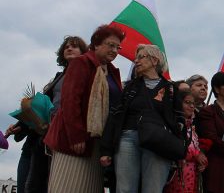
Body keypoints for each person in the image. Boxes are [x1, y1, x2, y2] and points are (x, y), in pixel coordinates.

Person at [44, 25, 125, 192]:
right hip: (74, 141)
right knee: (69, 186)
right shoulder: (82, 63)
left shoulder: (111, 72)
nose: (115, 50)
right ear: (96, 44)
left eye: (118, 47)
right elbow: (70, 101)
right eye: (110, 45)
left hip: (96, 142)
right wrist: (76, 136)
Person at [6, 35, 87, 193]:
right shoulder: (57, 78)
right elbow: (41, 109)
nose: (69, 48)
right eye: (66, 46)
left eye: (74, 46)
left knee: (40, 185)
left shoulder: (85, 76)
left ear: (83, 52)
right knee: (24, 186)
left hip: (56, 139)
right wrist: (20, 126)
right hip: (35, 139)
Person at [99, 44, 180, 193]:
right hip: (128, 139)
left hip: (158, 142)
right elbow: (115, 117)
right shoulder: (129, 88)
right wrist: (106, 149)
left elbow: (178, 121)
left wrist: (180, 147)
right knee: (124, 189)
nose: (136, 61)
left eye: (141, 57)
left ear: (154, 61)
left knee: (153, 189)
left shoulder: (171, 90)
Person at [165, 89, 208, 193]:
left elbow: (195, 147)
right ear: (178, 103)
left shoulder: (191, 126)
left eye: (193, 103)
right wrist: (196, 155)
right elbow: (176, 148)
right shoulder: (173, 124)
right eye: (187, 102)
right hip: (177, 175)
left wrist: (202, 160)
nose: (192, 106)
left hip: (192, 175)